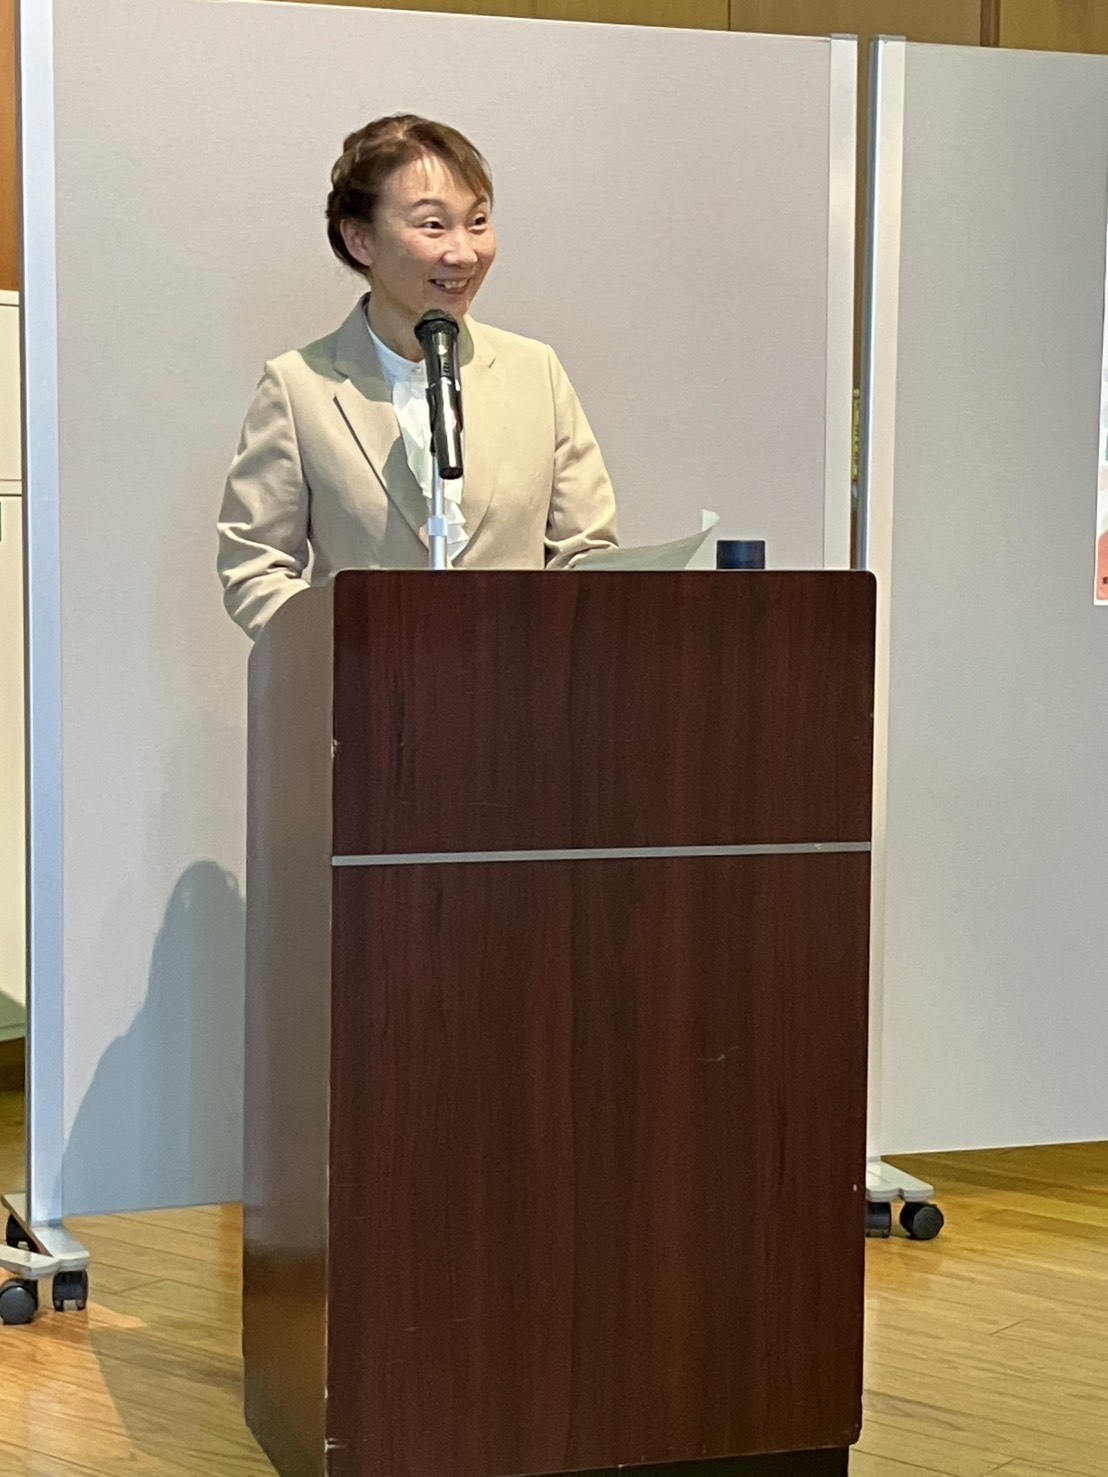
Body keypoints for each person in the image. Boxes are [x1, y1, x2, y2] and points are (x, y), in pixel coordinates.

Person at [217, 114, 619, 638]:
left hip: (521, 680)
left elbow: (587, 553)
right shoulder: (299, 387)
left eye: (478, 221)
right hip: (365, 683)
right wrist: (348, 649)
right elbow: (255, 566)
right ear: (360, 240)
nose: (464, 253)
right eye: (433, 225)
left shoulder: (535, 371)